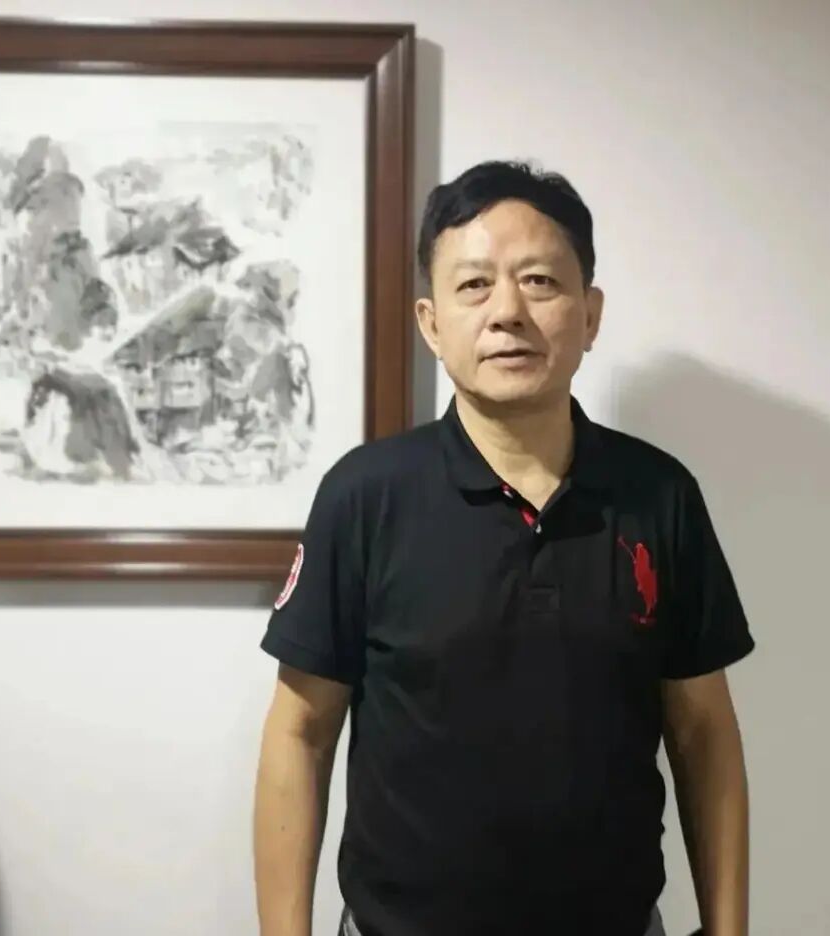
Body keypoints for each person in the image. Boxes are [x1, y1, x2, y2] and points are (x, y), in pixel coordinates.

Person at [253, 160, 754, 936]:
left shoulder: (659, 496)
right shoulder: (366, 497)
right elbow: (300, 732)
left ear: (590, 314)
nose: (508, 312)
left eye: (540, 282)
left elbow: (703, 733)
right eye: (475, 285)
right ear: (431, 324)